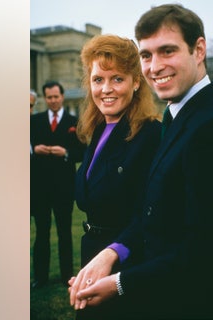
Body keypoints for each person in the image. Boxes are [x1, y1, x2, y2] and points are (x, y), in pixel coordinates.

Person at [68, 4, 213, 319]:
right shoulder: (178, 116)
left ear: (199, 49)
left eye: (167, 51)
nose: (155, 66)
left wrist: (119, 282)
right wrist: (108, 253)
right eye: (146, 55)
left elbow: (208, 249)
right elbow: (157, 213)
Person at [73, 34, 162, 319]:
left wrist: (113, 253)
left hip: (128, 264)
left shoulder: (150, 135)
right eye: (98, 79)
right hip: (92, 255)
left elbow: (152, 213)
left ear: (136, 82)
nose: (106, 89)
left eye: (117, 79)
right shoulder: (97, 129)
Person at [31, 81, 85, 289]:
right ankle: (40, 278)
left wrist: (67, 154)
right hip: (40, 188)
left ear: (62, 97)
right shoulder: (34, 121)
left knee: (64, 232)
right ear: (45, 99)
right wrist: (35, 149)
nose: (53, 101)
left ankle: (66, 276)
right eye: (49, 97)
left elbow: (83, 152)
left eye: (56, 96)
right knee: (41, 233)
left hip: (64, 188)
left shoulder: (74, 121)